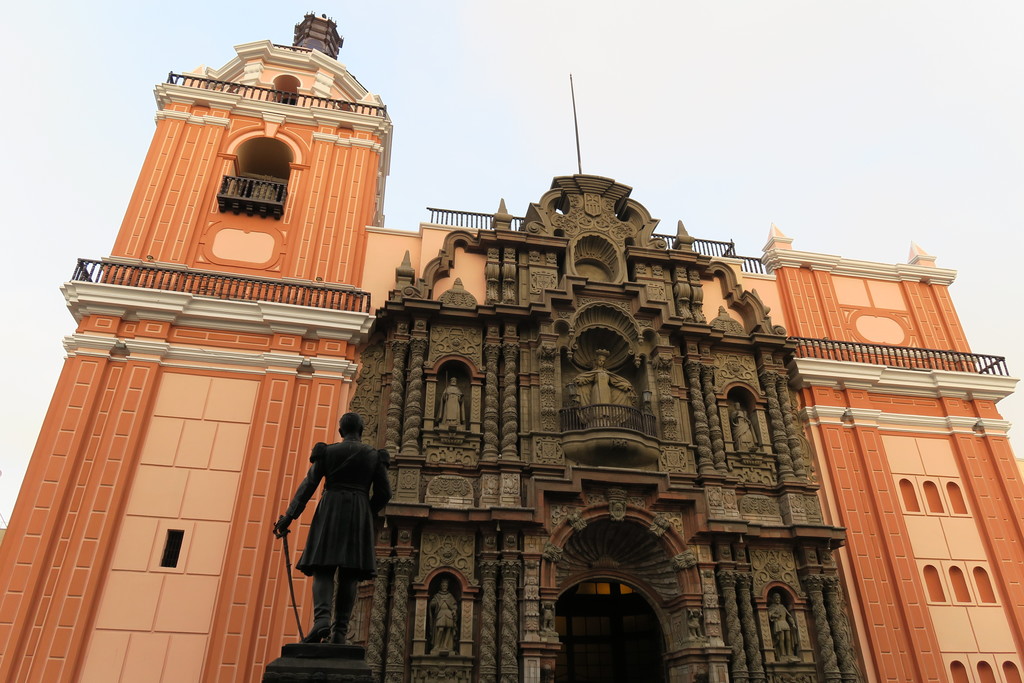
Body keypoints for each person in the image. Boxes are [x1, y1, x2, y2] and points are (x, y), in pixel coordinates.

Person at [274, 412, 391, 644]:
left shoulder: (327, 452)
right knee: (350, 572)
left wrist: (289, 517)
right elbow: (385, 493)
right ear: (361, 430)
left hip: (331, 507)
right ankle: (340, 631)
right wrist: (368, 510)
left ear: (340, 431)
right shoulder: (374, 456)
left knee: (323, 568)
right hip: (359, 509)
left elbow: (308, 485)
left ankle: (321, 620)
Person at [428, 578, 458, 654]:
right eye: (443, 585)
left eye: (446, 585)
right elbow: (432, 605)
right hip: (440, 613)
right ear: (441, 586)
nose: (444, 586)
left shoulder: (450, 596)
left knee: (448, 629)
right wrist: (433, 603)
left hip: (448, 613)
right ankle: (437, 645)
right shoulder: (437, 595)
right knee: (440, 629)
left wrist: (454, 610)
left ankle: (446, 645)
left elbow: (454, 605)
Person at [767, 592, 796, 659]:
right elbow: (769, 614)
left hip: (785, 623)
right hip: (778, 623)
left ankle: (789, 653)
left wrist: (793, 623)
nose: (778, 599)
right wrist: (776, 615)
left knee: (788, 639)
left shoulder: (782, 606)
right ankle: (783, 654)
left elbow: (789, 616)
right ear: (773, 599)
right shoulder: (772, 607)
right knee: (781, 639)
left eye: (779, 598)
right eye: (776, 598)